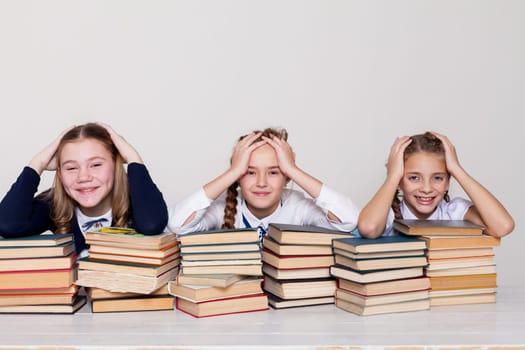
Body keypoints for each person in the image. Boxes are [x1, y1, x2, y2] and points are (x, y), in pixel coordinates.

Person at [0, 122, 168, 258]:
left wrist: (133, 159)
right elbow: (8, 224)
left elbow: (152, 224)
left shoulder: (138, 203)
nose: (83, 177)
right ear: (59, 173)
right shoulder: (53, 205)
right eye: (71, 168)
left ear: (116, 165)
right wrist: (38, 163)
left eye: (95, 165)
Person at [167, 127, 359, 240]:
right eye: (250, 172)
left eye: (274, 172)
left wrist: (293, 170)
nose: (261, 182)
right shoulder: (222, 208)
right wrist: (232, 172)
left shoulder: (297, 206)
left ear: (286, 176)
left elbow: (349, 220)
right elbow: (178, 225)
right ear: (239, 176)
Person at [357, 131, 514, 239]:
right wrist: (392, 176)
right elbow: (369, 228)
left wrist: (456, 169)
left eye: (438, 178)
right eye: (413, 178)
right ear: (399, 181)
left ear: (448, 182)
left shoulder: (454, 213)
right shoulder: (387, 215)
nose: (426, 189)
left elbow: (503, 226)